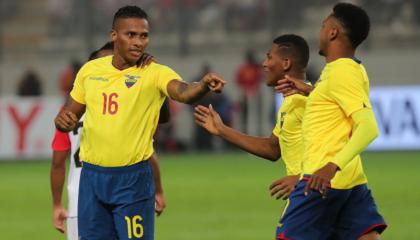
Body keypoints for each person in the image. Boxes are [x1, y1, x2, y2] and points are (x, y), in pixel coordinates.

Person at [54, 6, 225, 240]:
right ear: (114, 36)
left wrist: (203, 85)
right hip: (92, 179)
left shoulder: (154, 73)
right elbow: (68, 115)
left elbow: (183, 92)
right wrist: (62, 121)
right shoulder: (90, 71)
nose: (138, 42)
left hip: (132, 181)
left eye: (143, 36)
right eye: (130, 35)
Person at [275, 3, 386, 240]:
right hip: (352, 182)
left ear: (333, 32)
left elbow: (368, 128)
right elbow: (337, 102)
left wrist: (331, 166)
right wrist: (310, 90)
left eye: (323, 26)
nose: (320, 31)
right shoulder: (348, 68)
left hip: (320, 180)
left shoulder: (340, 72)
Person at [50, 42, 167, 240]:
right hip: (118, 191)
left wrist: (57, 204)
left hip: (80, 201)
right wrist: (159, 190)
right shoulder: (125, 113)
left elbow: (58, 163)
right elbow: (148, 152)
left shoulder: (68, 114)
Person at [194, 34, 310, 215]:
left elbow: (337, 145)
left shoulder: (306, 103)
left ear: (286, 63)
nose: (264, 63)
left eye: (269, 57)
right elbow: (272, 149)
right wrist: (222, 130)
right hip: (305, 195)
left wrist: (303, 178)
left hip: (311, 196)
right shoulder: (292, 101)